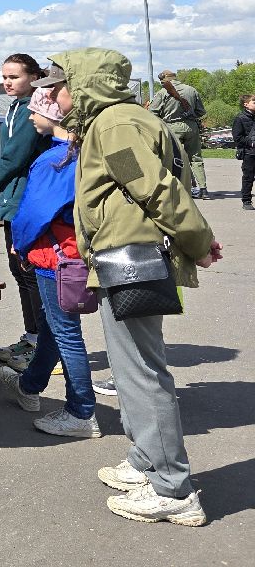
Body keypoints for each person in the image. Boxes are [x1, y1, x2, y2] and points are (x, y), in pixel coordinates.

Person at [42, 49, 221, 526]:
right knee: (131, 369)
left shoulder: (116, 125)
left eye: (58, 84)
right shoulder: (114, 120)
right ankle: (147, 460)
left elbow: (154, 187)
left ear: (83, 83)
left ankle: (172, 488)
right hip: (125, 256)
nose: (52, 94)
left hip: (131, 257)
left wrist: (198, 241)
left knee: (141, 372)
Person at [0, 87, 100, 438]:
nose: (29, 116)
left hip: (55, 257)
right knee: (54, 326)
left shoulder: (54, 160)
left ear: (54, 116)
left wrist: (20, 244)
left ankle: (81, 411)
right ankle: (29, 386)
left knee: (66, 332)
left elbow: (35, 213)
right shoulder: (85, 152)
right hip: (74, 254)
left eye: (35, 110)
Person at [0, 53, 52, 369]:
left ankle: (43, 346)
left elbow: (15, 158)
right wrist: (1, 189)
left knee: (30, 273)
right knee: (20, 271)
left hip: (27, 200)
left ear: (34, 77)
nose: (7, 82)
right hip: (15, 199)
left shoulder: (32, 110)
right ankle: (33, 338)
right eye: (5, 77)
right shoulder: (17, 107)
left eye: (14, 77)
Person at [149, 70, 207, 198]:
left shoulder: (162, 92)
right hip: (192, 127)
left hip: (172, 128)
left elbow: (152, 113)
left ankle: (180, 188)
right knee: (196, 158)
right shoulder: (191, 90)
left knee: (175, 159)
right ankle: (203, 189)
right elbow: (201, 112)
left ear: (164, 80)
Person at [235, 94, 255, 210]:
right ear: (246, 104)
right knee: (248, 177)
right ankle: (246, 201)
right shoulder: (240, 118)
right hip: (249, 153)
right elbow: (237, 138)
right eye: (254, 102)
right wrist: (251, 143)